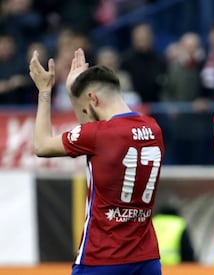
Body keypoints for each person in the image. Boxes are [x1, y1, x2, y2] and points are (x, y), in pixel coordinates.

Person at [29, 48, 165, 275]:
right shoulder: (153, 128)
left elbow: (41, 146)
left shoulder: (98, 135)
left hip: (101, 257)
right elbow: (92, 128)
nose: (83, 110)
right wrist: (76, 94)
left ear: (93, 98)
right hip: (147, 258)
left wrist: (44, 91)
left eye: (84, 105)